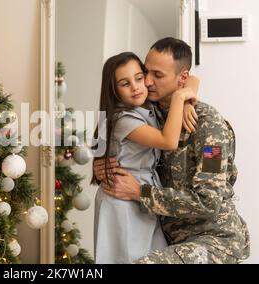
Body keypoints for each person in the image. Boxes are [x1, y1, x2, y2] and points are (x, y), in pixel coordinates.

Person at [93, 38, 250, 264]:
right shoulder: (150, 112)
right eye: (146, 72)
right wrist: (105, 167)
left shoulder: (209, 126)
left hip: (212, 240)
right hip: (169, 238)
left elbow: (209, 201)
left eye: (157, 75)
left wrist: (140, 192)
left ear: (181, 78)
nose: (146, 81)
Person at [91, 52, 199, 264]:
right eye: (125, 83)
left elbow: (193, 79)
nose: (136, 87)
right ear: (114, 90)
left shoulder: (147, 105)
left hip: (143, 195)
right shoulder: (123, 119)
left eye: (139, 78)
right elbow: (168, 141)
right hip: (121, 197)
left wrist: (188, 100)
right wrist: (181, 97)